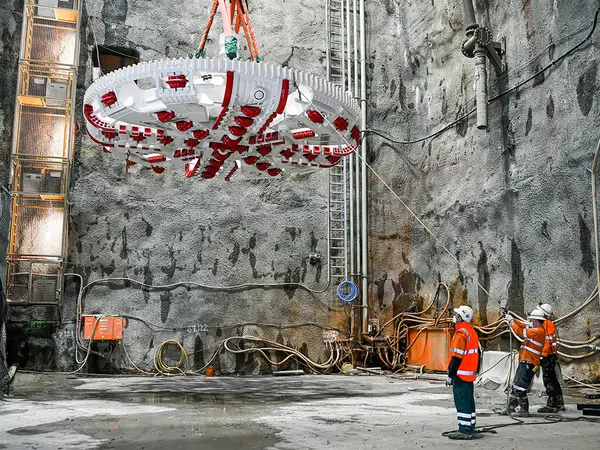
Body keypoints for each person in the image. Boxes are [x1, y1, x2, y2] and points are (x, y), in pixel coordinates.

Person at [502, 307, 546, 417]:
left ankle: (524, 410)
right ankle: (511, 408)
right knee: (515, 386)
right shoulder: (535, 328)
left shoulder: (538, 331)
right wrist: (510, 317)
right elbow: (521, 325)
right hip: (526, 361)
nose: (530, 321)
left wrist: (510, 321)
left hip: (529, 363)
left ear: (536, 321)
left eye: (532, 320)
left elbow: (519, 331)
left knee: (519, 387)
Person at [446, 305, 480, 440]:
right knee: (468, 401)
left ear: (460, 317)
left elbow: (456, 357)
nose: (454, 316)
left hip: (460, 374)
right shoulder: (471, 331)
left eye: (456, 314)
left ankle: (464, 430)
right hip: (469, 374)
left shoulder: (461, 333)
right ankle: (470, 426)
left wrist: (450, 374)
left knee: (462, 401)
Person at [537, 303, 564, 413]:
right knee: (554, 380)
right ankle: (559, 403)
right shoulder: (550, 324)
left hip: (547, 357)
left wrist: (542, 356)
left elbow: (547, 342)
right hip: (552, 356)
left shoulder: (546, 325)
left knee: (548, 381)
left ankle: (551, 405)